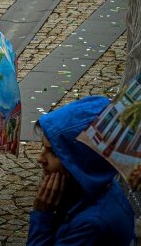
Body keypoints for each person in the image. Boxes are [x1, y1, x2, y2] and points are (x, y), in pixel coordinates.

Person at [28, 95, 135, 245]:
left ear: (81, 159)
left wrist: (42, 217)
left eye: (53, 152)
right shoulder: (101, 187)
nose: (40, 158)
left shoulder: (90, 226)